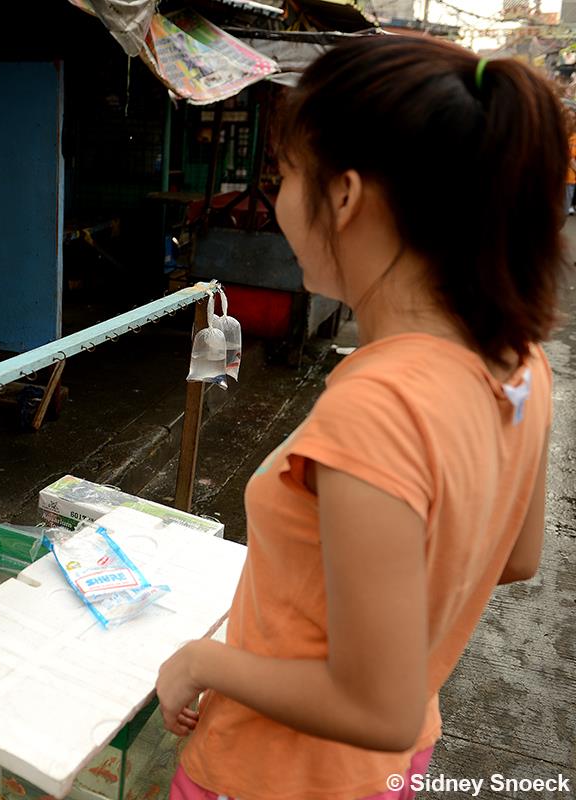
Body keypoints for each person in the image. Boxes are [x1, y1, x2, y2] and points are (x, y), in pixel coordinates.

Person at [157, 38, 561, 800]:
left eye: (284, 176)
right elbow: (515, 557)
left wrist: (202, 661)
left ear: (343, 196)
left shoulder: (377, 409)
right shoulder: (520, 361)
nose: (278, 201)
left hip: (276, 776)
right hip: (394, 769)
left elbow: (378, 706)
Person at [565, 109, 576, 214]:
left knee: (563, 212)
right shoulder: (558, 134)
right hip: (554, 177)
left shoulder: (575, 138)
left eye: (573, 118)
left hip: (569, 179)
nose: (570, 120)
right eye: (568, 117)